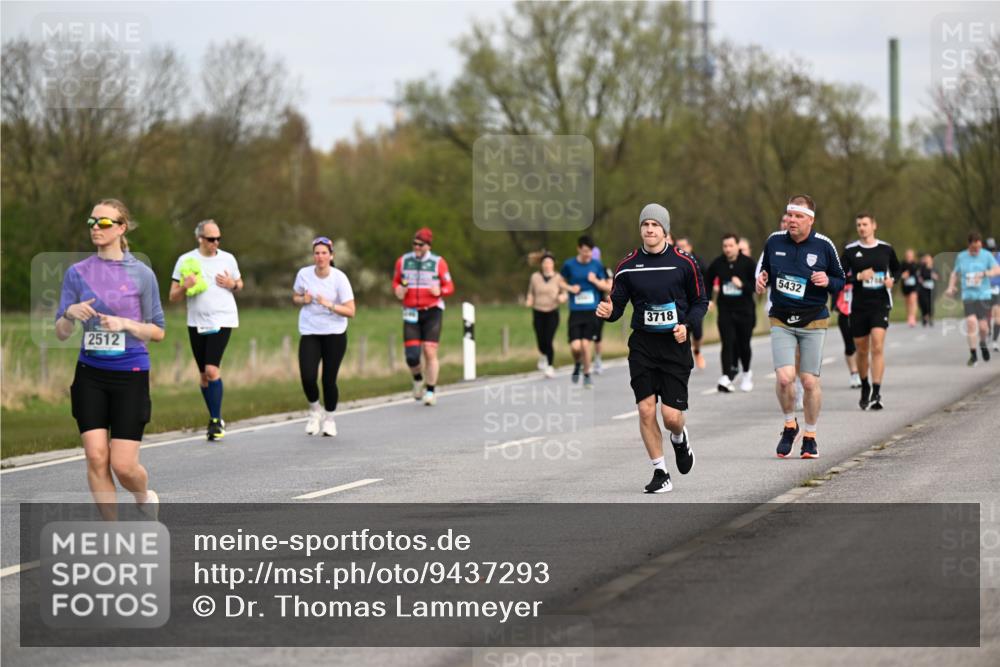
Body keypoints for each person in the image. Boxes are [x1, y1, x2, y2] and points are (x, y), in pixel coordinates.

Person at [55, 199, 165, 520]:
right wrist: (70, 314)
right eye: (92, 222)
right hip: (90, 373)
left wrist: (126, 324)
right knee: (95, 456)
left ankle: (143, 494)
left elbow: (158, 331)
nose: (96, 228)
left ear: (121, 228)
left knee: (123, 465)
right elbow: (61, 332)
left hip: (130, 373)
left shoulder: (142, 275)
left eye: (104, 223)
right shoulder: (77, 273)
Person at [596, 203, 706, 493]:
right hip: (643, 346)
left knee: (671, 417)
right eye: (645, 224)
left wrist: (687, 326)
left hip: (674, 346)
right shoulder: (628, 265)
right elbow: (618, 307)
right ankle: (660, 473)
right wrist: (609, 312)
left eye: (655, 225)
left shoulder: (684, 263)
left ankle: (680, 438)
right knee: (646, 410)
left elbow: (700, 302)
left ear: (665, 230)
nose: (649, 229)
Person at [755, 195, 845, 459]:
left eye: (797, 216)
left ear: (810, 220)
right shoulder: (774, 241)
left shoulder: (824, 245)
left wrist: (827, 280)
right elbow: (765, 272)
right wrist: (761, 281)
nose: (791, 221)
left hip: (813, 319)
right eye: (789, 215)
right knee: (784, 378)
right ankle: (789, 424)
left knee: (808, 381)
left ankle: (810, 436)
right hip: (781, 318)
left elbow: (841, 280)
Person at [169, 220, 243, 442]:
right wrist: (185, 285)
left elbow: (240, 284)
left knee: (211, 370)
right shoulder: (186, 260)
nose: (216, 243)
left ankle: (215, 420)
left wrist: (232, 283)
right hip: (196, 322)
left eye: (219, 238)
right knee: (203, 376)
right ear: (200, 238)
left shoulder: (228, 258)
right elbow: (173, 296)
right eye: (211, 239)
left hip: (223, 319)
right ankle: (213, 418)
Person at [293, 237, 355, 436]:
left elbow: (351, 311)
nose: (320, 257)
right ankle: (314, 410)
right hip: (310, 331)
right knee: (308, 376)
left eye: (324, 253)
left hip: (334, 334)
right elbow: (295, 297)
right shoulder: (304, 274)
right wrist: (304, 299)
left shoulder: (339, 278)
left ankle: (329, 418)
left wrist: (330, 305)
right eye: (317, 253)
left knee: (329, 380)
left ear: (331, 256)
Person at [840, 213, 900, 410]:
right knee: (862, 349)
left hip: (880, 304)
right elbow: (839, 277)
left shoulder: (886, 249)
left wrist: (893, 280)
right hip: (858, 306)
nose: (862, 228)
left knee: (877, 346)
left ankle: (876, 390)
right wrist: (858, 276)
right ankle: (864, 385)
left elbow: (897, 270)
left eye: (865, 224)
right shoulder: (850, 251)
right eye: (858, 225)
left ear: (874, 225)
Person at [392, 227, 455, 405]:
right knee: (412, 356)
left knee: (429, 351)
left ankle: (431, 391)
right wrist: (398, 289)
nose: (416, 247)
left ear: (428, 246)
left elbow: (450, 287)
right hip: (411, 312)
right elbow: (396, 281)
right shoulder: (403, 261)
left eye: (420, 244)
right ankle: (418, 379)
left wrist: (440, 290)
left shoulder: (438, 262)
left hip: (432, 311)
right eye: (414, 243)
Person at [704, 233, 758, 392]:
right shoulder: (718, 263)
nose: (728, 249)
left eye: (730, 246)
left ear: (737, 246)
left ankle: (747, 373)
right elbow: (707, 279)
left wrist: (742, 285)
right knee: (727, 343)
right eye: (725, 246)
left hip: (745, 310)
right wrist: (708, 299)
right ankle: (726, 376)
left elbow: (756, 286)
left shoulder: (748, 263)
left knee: (743, 344)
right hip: (726, 310)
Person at [561, 236, 611, 388]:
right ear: (579, 249)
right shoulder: (569, 265)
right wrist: (570, 289)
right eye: (584, 252)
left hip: (591, 311)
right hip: (575, 311)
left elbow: (607, 286)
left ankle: (587, 375)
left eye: (589, 252)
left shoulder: (597, 265)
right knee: (575, 347)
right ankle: (577, 363)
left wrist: (595, 281)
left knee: (585, 345)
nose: (587, 255)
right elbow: (560, 281)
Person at [946, 231, 1000, 367]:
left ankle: (982, 343)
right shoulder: (962, 257)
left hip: (983, 295)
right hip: (968, 296)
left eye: (979, 247)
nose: (977, 250)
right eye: (974, 248)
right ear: (969, 245)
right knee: (971, 323)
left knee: (983, 328)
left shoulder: (986, 255)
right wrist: (951, 287)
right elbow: (955, 273)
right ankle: (973, 354)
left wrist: (985, 273)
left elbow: (997, 270)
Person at [525, 251, 568, 378]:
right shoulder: (535, 277)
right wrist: (529, 300)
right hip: (538, 311)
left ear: (553, 264)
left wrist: (562, 297)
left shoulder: (558, 278)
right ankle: (543, 355)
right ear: (541, 264)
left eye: (550, 262)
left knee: (548, 339)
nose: (547, 265)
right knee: (540, 340)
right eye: (545, 262)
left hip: (552, 312)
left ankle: (549, 366)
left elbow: (565, 293)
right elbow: (530, 292)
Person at [675, 237, 707, 370]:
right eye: (679, 246)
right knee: (681, 330)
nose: (682, 248)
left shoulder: (698, 262)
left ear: (690, 247)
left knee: (697, 333)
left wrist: (708, 299)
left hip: (695, 303)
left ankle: (697, 351)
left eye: (684, 245)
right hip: (680, 304)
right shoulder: (673, 262)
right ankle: (681, 359)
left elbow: (707, 281)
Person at [833, 284, 862, 388]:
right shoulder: (841, 269)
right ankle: (854, 374)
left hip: (860, 311)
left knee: (861, 345)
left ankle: (862, 374)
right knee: (849, 345)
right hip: (844, 312)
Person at [899, 248, 920, 327]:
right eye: (908, 255)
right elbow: (899, 273)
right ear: (905, 256)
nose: (909, 256)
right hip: (905, 285)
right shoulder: (902, 264)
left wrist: (910, 273)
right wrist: (903, 275)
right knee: (907, 301)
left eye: (910, 255)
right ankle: (909, 315)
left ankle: (912, 317)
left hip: (914, 285)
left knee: (913, 299)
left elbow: (917, 273)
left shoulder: (916, 264)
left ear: (913, 256)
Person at [917, 253, 938, 327]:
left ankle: (930, 317)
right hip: (923, 288)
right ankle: (925, 316)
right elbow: (920, 276)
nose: (928, 260)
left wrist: (934, 276)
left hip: (932, 288)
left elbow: (938, 276)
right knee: (924, 303)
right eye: (926, 259)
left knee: (931, 303)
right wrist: (923, 278)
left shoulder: (935, 268)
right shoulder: (922, 267)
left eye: (929, 259)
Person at [989, 238, 1000, 351]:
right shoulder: (982, 258)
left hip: (997, 289)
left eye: (993, 249)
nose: (991, 252)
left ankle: (995, 341)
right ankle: (988, 331)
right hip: (984, 290)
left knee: (997, 316)